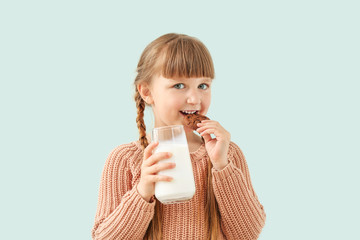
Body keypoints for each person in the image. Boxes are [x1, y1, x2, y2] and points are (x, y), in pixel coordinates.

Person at [91, 33, 266, 240]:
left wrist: (222, 166)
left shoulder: (227, 153)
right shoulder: (125, 159)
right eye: (179, 86)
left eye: (203, 86)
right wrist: (143, 190)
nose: (194, 99)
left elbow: (248, 234)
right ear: (147, 92)